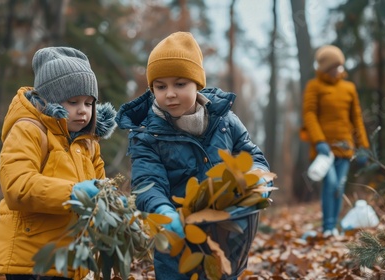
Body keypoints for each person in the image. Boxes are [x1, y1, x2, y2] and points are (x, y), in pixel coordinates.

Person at [115, 32, 271, 279]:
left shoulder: (225, 122)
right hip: (176, 240)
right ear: (152, 88)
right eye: (160, 86)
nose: (170, 94)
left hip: (225, 236)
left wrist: (257, 181)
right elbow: (147, 182)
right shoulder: (146, 134)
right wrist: (162, 210)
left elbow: (253, 158)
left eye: (180, 84)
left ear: (197, 84)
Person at [0, 47, 117, 280]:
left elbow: (100, 187)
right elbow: (18, 187)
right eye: (73, 101)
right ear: (51, 100)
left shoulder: (88, 143)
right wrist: (74, 193)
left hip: (70, 259)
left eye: (89, 103)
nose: (83, 111)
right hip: (31, 260)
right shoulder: (29, 130)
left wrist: (109, 202)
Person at [302, 45, 369, 237]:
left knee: (339, 186)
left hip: (345, 147)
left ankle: (334, 226)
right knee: (330, 183)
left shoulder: (349, 88)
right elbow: (310, 114)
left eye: (339, 66)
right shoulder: (314, 86)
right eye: (333, 66)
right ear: (324, 68)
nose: (338, 69)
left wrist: (363, 147)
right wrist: (319, 141)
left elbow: (356, 118)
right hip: (324, 150)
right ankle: (327, 226)